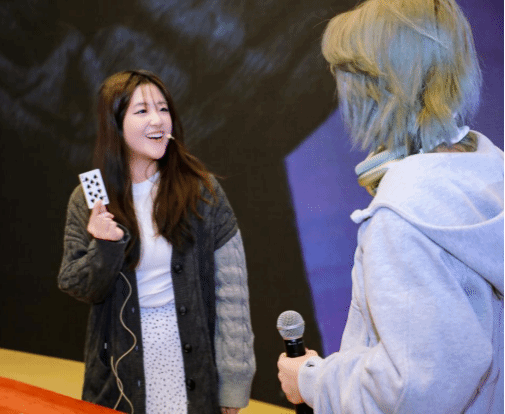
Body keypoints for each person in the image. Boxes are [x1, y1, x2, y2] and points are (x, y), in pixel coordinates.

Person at [277, 0, 504, 413]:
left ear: (375, 87)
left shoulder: (402, 215)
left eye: (345, 74)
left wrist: (311, 379)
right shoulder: (488, 171)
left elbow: (413, 391)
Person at [57, 69, 255, 414]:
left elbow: (232, 294)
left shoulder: (202, 191)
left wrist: (233, 384)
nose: (158, 120)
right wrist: (104, 245)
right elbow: (77, 284)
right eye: (142, 111)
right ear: (114, 124)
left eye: (163, 109)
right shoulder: (90, 197)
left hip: (191, 363)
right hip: (120, 372)